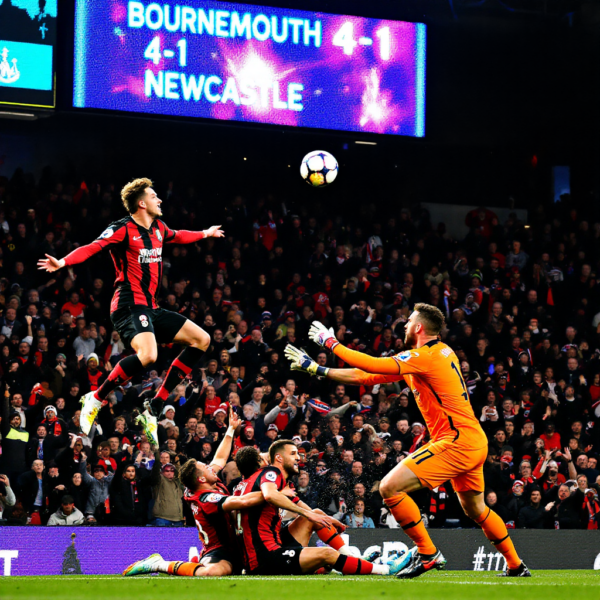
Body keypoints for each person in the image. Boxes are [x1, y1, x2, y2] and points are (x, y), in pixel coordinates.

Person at [287, 302, 529, 577]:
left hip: (456, 441)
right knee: (476, 509)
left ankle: (428, 553)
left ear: (418, 327)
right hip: (471, 440)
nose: (403, 325)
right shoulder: (431, 355)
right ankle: (515, 565)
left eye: (408, 321)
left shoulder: (426, 356)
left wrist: (329, 342)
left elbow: (371, 362)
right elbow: (365, 376)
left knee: (389, 487)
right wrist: (317, 369)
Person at [38, 178, 224, 445]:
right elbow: (93, 247)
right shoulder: (122, 228)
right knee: (148, 355)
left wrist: (205, 233)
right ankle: (97, 397)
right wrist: (63, 262)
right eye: (154, 195)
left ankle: (156, 405)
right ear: (141, 203)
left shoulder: (159, 227)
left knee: (202, 340)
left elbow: (179, 234)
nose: (159, 199)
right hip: (127, 305)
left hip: (151, 307)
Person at [123, 407, 263, 577]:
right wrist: (271, 491)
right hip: (218, 550)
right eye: (206, 468)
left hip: (234, 544)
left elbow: (220, 458)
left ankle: (196, 560)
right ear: (202, 479)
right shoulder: (206, 497)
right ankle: (159, 564)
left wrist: (231, 429)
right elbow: (243, 502)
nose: (212, 467)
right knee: (212, 573)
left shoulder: (203, 483)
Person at [234, 440, 406, 576]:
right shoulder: (269, 474)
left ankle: (351, 560)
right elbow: (271, 495)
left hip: (262, 549)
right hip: (265, 556)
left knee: (315, 515)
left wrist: (322, 518)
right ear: (262, 462)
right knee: (327, 554)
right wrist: (307, 514)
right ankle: (384, 570)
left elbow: (299, 504)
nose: (298, 458)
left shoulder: (244, 485)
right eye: (293, 454)